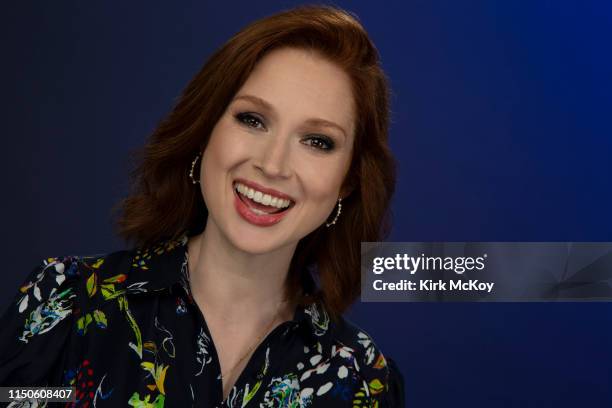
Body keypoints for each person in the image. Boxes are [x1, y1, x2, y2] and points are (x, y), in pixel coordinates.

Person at [0, 5, 403, 407]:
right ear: (205, 129)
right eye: (252, 120)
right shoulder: (65, 301)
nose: (273, 164)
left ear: (347, 182)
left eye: (317, 141)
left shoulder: (365, 381)